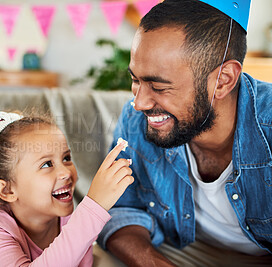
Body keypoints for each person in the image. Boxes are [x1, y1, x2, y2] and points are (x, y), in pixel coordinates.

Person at [97, 0, 272, 266]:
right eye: (136, 80)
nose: (140, 103)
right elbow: (121, 210)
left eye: (159, 86)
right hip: (183, 249)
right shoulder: (135, 120)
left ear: (223, 80)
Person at [0, 110, 134, 266]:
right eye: (46, 164)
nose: (65, 171)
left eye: (66, 158)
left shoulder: (69, 222)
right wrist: (94, 207)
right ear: (7, 190)